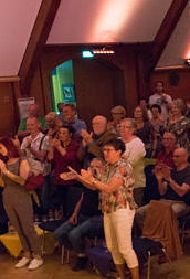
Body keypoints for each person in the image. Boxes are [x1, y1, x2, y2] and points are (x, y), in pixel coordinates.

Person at [66, 138, 139, 279]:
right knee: (113, 247)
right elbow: (95, 186)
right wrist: (79, 178)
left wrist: (91, 179)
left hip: (122, 208)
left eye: (108, 150)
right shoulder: (107, 167)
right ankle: (121, 276)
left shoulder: (123, 166)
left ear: (118, 152)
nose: (105, 153)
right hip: (108, 209)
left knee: (125, 248)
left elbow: (110, 187)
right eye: (104, 150)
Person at [0, 137, 44, 270]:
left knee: (27, 228)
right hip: (8, 197)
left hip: (21, 196)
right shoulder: (4, 162)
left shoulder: (22, 160)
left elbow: (22, 181)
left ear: (8, 146)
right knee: (18, 228)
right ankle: (27, 254)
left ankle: (37, 256)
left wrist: (7, 173)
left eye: (1, 147)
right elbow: (2, 184)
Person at [55, 158, 103, 272]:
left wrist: (78, 177)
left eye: (97, 167)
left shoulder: (103, 183)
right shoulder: (85, 184)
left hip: (97, 217)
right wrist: (74, 214)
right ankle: (80, 251)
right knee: (59, 233)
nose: (94, 169)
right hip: (82, 215)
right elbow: (80, 200)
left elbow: (93, 186)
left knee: (74, 234)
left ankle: (81, 256)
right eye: (92, 166)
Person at [135, 147, 190, 231]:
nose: (174, 159)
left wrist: (169, 179)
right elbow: (162, 192)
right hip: (166, 201)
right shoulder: (172, 171)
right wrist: (159, 179)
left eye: (177, 157)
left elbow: (181, 192)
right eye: (174, 156)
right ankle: (149, 234)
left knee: (168, 213)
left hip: (182, 203)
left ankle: (165, 238)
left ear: (185, 157)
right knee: (140, 212)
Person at [118, 119, 146, 206]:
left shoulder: (137, 143)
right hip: (118, 185)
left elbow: (130, 164)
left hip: (134, 185)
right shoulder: (117, 140)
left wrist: (117, 158)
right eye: (121, 126)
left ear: (133, 129)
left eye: (126, 127)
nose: (122, 129)